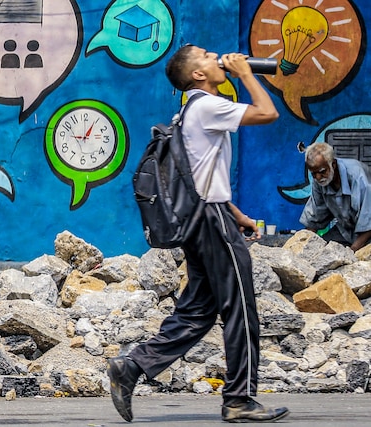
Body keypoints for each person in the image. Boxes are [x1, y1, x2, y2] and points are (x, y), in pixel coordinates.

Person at [107, 45, 289, 423]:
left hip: (202, 217)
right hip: (210, 220)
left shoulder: (191, 110)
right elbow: (268, 112)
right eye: (207, 56)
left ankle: (132, 366)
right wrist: (246, 74)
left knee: (197, 311)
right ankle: (239, 398)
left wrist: (234, 212)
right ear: (198, 75)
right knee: (240, 307)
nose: (219, 57)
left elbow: (199, 173)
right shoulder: (206, 106)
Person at [299, 142, 371, 252]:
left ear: (333, 164)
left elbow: (369, 221)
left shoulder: (358, 177)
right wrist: (303, 245)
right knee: (320, 252)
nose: (318, 177)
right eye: (314, 174)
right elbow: (315, 216)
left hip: (368, 233)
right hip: (345, 231)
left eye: (322, 172)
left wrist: (351, 252)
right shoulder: (319, 182)